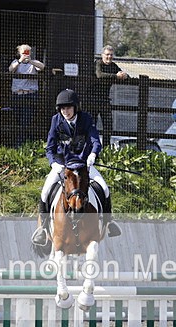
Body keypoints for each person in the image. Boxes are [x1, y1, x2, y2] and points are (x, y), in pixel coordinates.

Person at [31, 89, 121, 246]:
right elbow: (50, 147)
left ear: (75, 108)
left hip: (83, 165)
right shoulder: (56, 120)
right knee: (45, 192)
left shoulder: (85, 119)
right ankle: (43, 229)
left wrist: (93, 155)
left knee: (104, 188)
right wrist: (54, 163)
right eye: (63, 108)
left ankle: (109, 223)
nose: (65, 111)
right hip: (63, 165)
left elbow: (95, 141)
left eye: (68, 108)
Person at [89, 45, 129, 146]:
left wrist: (124, 75)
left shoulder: (113, 66)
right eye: (107, 54)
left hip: (105, 100)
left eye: (111, 55)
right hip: (93, 99)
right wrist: (116, 76)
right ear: (103, 55)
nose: (109, 57)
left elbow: (124, 75)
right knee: (92, 125)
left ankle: (106, 149)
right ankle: (92, 147)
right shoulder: (98, 63)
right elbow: (99, 75)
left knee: (108, 126)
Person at [8, 44, 44, 146]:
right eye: (24, 52)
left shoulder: (34, 63)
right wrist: (20, 60)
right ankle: (22, 141)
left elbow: (42, 67)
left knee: (27, 119)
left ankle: (22, 143)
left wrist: (30, 61)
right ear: (19, 53)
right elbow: (11, 69)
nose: (26, 54)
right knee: (17, 119)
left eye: (27, 52)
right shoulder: (15, 62)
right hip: (17, 95)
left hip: (30, 95)